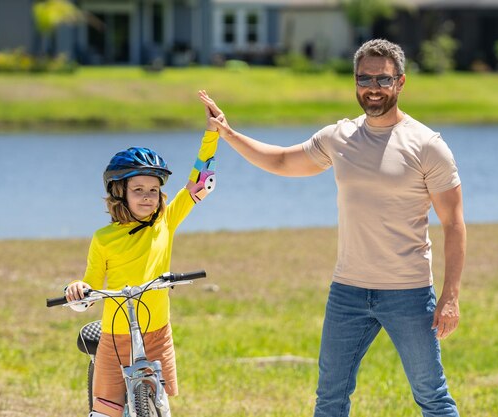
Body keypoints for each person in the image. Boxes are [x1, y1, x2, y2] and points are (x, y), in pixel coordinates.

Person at [199, 38, 465, 417]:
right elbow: (281, 162)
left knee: (433, 398)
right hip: (348, 293)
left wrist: (450, 297)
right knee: (329, 401)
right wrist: (228, 133)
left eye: (383, 80)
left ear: (401, 83)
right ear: (355, 82)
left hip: (408, 293)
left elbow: (453, 224)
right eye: (365, 78)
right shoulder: (339, 137)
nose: (373, 88)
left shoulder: (427, 146)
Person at [64, 110, 219, 417]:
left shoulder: (165, 221)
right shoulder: (104, 238)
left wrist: (211, 134)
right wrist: (78, 291)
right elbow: (91, 282)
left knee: (160, 403)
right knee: (104, 411)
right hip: (116, 335)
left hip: (157, 330)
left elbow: (200, 182)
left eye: (153, 190)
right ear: (119, 193)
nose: (147, 197)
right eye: (138, 190)